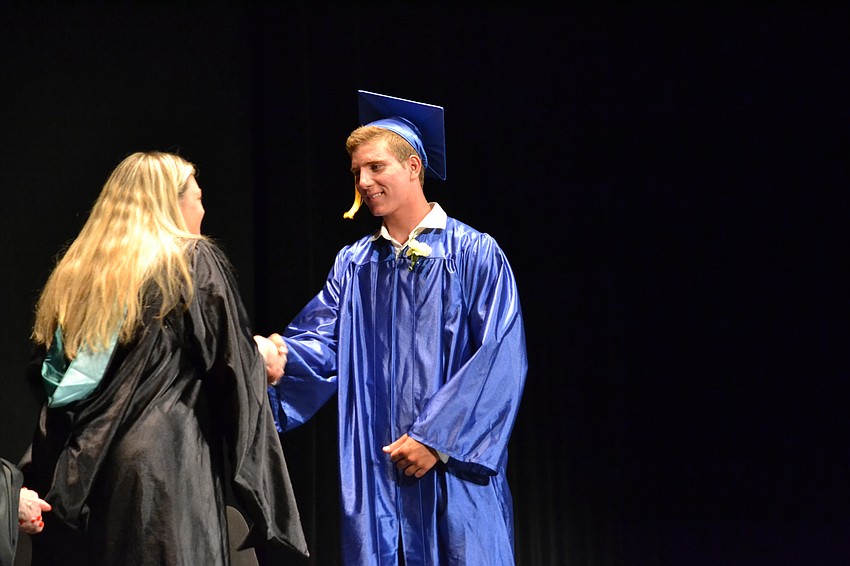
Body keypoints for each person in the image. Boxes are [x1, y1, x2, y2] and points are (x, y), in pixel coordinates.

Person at [267, 91, 528, 565]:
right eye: (356, 173)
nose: (363, 182)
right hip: (378, 479)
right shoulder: (355, 265)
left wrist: (437, 440)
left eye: (375, 167)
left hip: (455, 478)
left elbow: (500, 356)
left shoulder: (474, 254)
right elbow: (322, 341)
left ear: (413, 167)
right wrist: (276, 358)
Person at [20, 151, 308, 565]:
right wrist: (258, 357)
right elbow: (227, 364)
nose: (203, 210)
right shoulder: (188, 259)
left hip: (82, 474)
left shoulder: (78, 275)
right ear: (170, 204)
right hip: (164, 469)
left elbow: (51, 379)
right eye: (198, 198)